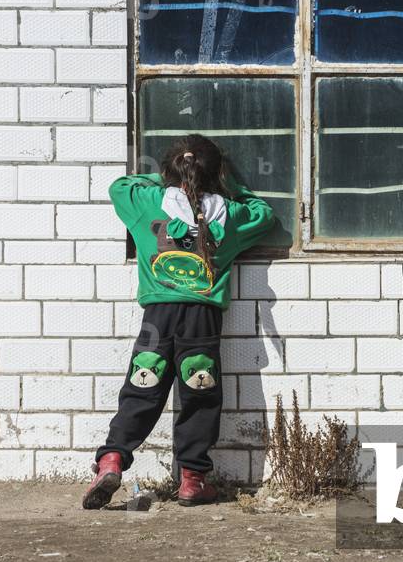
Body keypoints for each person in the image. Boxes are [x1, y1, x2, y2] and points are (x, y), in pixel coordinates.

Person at [82, 134, 275, 509]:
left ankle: (112, 459)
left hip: (158, 317)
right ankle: (192, 481)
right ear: (215, 173)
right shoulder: (229, 214)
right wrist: (229, 183)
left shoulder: (147, 203)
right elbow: (264, 214)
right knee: (200, 397)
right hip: (201, 318)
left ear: (171, 170)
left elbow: (120, 186)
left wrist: (169, 177)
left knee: (142, 389)